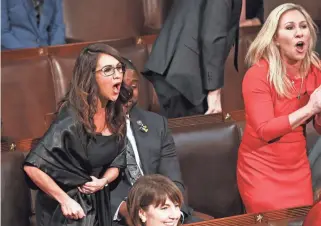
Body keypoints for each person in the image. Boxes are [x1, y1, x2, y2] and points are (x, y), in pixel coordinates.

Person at [23, 43, 132, 226]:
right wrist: (65, 200)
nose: (117, 75)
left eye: (118, 68)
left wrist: (103, 181)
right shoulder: (71, 121)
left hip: (97, 202)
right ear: (90, 77)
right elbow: (33, 167)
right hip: (66, 212)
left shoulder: (116, 114)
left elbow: (118, 161)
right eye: (107, 70)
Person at [237, 3, 321, 213]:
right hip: (262, 170)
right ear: (275, 38)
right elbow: (265, 130)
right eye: (290, 27)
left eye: (303, 26)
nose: (299, 32)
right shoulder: (257, 75)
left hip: (298, 168)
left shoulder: (315, 70)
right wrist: (311, 108)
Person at [110, 58, 196, 226]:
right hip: (119, 218)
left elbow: (173, 180)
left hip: (164, 213)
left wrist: (171, 213)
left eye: (133, 86)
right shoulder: (90, 129)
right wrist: (125, 210)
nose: (128, 93)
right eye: (120, 86)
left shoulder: (157, 124)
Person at [142, 0, 242, 118]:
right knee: (195, 132)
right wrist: (214, 91)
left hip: (179, 69)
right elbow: (213, 37)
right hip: (185, 76)